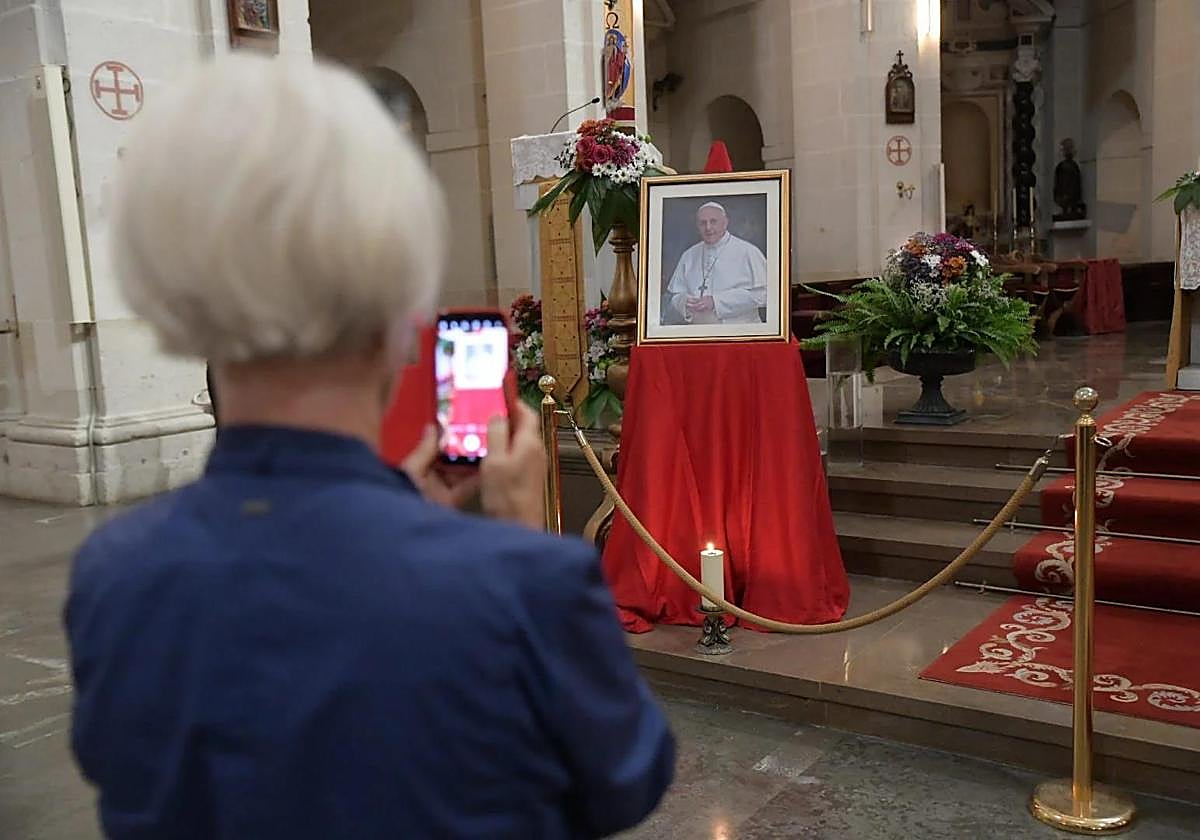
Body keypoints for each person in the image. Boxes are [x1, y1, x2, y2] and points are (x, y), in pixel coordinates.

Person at [64, 55, 673, 840]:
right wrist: (523, 538)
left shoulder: (115, 573)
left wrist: (398, 514)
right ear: (400, 319)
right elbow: (627, 777)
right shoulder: (522, 583)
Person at [666, 201, 768, 325]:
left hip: (740, 332)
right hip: (699, 334)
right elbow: (675, 295)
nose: (708, 227)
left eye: (713, 221)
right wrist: (684, 302)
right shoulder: (689, 255)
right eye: (703, 223)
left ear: (725, 223)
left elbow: (763, 295)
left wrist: (716, 301)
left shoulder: (748, 251)